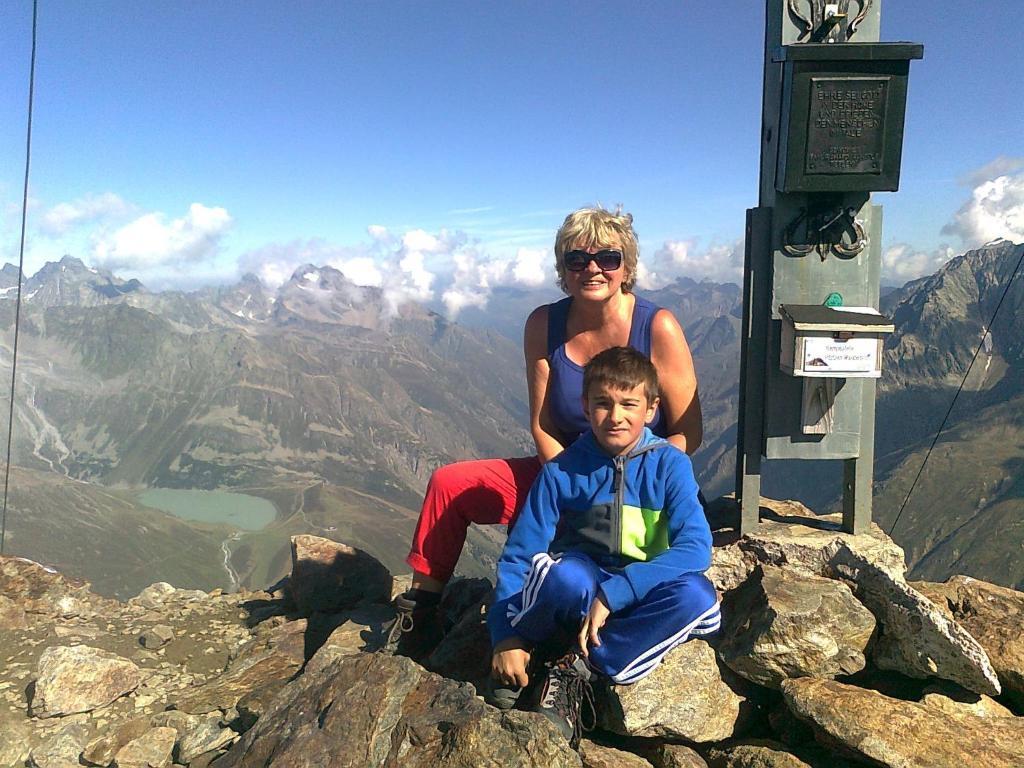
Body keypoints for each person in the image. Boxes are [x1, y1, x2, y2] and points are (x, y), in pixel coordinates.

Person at [382, 205, 703, 658]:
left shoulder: (658, 326)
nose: (592, 268)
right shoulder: (544, 324)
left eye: (607, 258)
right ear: (563, 269)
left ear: (626, 267)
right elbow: (543, 423)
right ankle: (424, 612)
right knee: (448, 485)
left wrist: (634, 482)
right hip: (565, 469)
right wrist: (567, 487)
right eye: (577, 259)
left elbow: (688, 431)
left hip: (643, 476)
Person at [485, 347, 719, 746]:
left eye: (629, 404)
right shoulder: (562, 470)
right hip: (583, 582)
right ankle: (528, 645)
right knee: (562, 577)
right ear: (585, 405)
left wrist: (617, 592)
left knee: (698, 599)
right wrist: (504, 635)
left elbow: (695, 548)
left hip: (637, 587)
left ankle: (577, 665)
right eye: (603, 404)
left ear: (651, 408)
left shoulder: (670, 465)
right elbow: (523, 552)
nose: (616, 416)